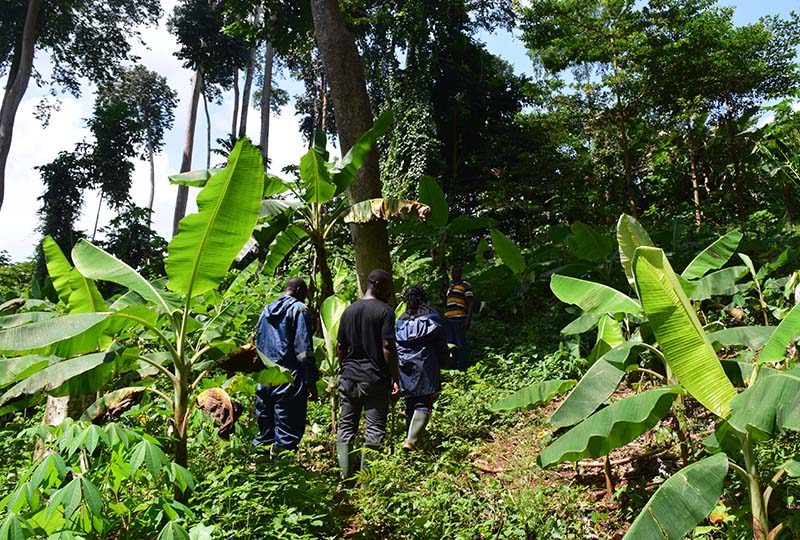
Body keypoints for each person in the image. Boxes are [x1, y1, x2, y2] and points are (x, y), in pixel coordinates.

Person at [336, 269, 400, 481]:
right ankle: (366, 483)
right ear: (378, 285)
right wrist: (395, 378)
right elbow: (387, 346)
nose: (390, 294)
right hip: (374, 379)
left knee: (346, 427)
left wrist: (344, 367)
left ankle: (345, 479)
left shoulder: (349, 311)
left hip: (349, 377)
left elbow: (340, 347)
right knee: (374, 430)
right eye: (389, 289)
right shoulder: (385, 312)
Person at [252, 277, 319, 459]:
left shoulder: (266, 310)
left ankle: (261, 470)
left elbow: (256, 343)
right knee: (287, 429)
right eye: (304, 294)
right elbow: (303, 350)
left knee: (266, 429)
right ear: (298, 291)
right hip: (289, 377)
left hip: (265, 377)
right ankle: (284, 471)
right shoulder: (299, 310)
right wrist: (310, 381)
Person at [396, 285, 448, 451]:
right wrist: (445, 361)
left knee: (410, 403)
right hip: (426, 365)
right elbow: (441, 343)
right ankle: (411, 441)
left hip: (404, 367)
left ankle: (411, 441)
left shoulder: (401, 320)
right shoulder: (432, 317)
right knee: (424, 403)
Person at [444, 266, 473, 371]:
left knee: (461, 344)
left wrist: (467, 319)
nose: (453, 274)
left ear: (460, 273)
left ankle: (462, 368)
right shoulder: (450, 287)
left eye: (456, 272)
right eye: (452, 273)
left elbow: (470, 303)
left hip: (459, 318)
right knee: (451, 344)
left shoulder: (465, 285)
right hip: (449, 319)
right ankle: (452, 367)